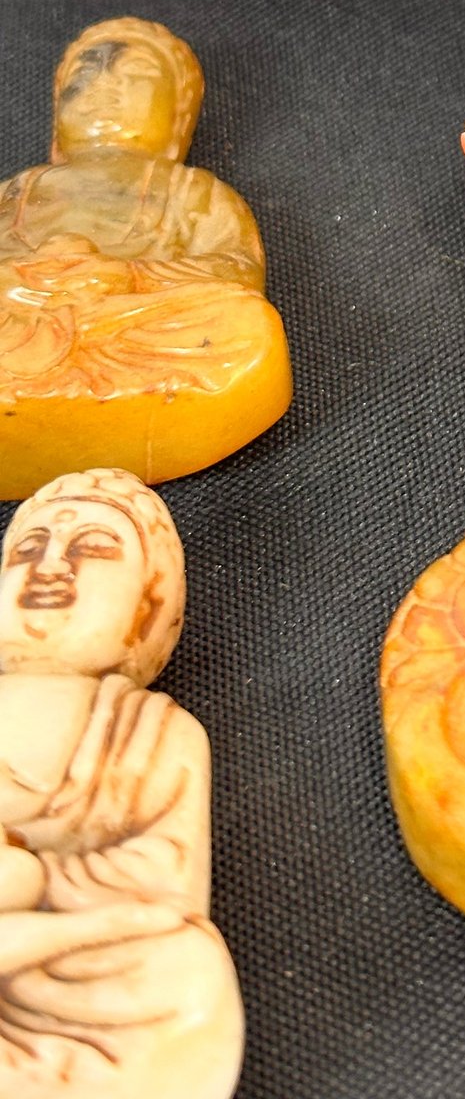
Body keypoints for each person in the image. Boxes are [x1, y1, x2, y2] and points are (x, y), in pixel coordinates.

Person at [0, 468, 243, 1098]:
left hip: (74, 969)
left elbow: (167, 873)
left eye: (93, 549)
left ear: (145, 612)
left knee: (185, 965)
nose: (52, 566)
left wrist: (36, 880)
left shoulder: (155, 729)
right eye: (28, 549)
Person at [0, 17, 292, 494]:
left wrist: (126, 275)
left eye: (134, 77)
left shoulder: (192, 189)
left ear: (178, 119)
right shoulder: (18, 190)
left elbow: (237, 272)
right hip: (21, 322)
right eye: (85, 76)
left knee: (248, 325)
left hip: (128, 325)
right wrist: (25, 279)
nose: (105, 89)